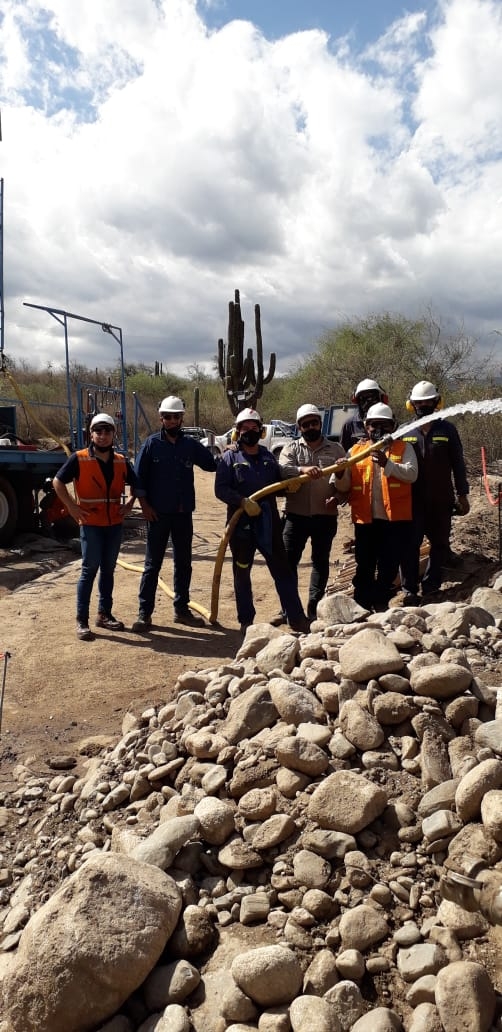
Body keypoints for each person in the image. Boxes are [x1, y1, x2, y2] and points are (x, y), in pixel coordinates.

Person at [214, 407, 310, 634]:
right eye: (245, 428)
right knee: (242, 572)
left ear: (261, 431)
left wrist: (290, 487)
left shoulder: (268, 457)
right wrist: (241, 501)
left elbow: (277, 486)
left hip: (269, 524)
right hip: (241, 526)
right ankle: (246, 621)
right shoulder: (229, 458)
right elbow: (220, 489)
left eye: (254, 427)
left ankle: (296, 618)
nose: (250, 431)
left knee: (282, 571)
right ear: (237, 431)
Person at [132, 395, 217, 631]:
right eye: (167, 417)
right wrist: (145, 506)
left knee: (184, 563)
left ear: (181, 419)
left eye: (175, 417)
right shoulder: (151, 445)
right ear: (161, 418)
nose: (171, 421)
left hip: (182, 514)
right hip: (157, 515)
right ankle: (144, 614)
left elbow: (211, 464)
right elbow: (138, 479)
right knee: (152, 565)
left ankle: (181, 610)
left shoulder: (190, 445)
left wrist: (232, 450)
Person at [53, 413, 138, 640]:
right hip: (91, 525)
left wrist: (130, 502)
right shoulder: (79, 459)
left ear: (113, 434)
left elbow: (136, 484)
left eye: (107, 431)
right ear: (91, 434)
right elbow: (58, 482)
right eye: (98, 431)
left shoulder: (121, 460)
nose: (102, 436)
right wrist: (71, 507)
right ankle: (82, 620)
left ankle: (104, 614)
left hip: (114, 525)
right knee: (89, 570)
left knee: (108, 570)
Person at [331, 403, 418, 612]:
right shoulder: (356, 451)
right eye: (374, 424)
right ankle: (362, 603)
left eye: (384, 424)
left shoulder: (404, 448)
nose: (378, 429)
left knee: (389, 563)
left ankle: (381, 602)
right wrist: (340, 473)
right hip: (365, 519)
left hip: (393, 519)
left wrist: (388, 464)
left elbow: (412, 474)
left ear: (393, 426)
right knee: (365, 563)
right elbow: (344, 486)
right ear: (366, 426)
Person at [272, 403, 345, 623]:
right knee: (288, 564)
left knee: (320, 563)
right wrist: (302, 470)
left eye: (314, 423)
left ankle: (314, 609)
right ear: (299, 427)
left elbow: (346, 485)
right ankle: (289, 610)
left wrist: (338, 497)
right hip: (295, 516)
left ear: (320, 424)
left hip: (325, 516)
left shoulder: (336, 450)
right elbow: (283, 470)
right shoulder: (291, 449)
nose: (311, 427)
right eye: (306, 424)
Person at [399, 381, 470, 602]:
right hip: (412, 501)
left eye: (428, 402)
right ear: (411, 404)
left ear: (437, 402)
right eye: (419, 402)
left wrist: (463, 494)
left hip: (441, 499)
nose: (423, 406)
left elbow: (458, 464)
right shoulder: (404, 431)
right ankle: (409, 590)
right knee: (410, 545)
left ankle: (431, 587)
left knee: (439, 544)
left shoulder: (447, 430)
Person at [341, 379, 388, 451]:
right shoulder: (349, 425)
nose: (368, 402)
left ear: (381, 399)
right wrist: (357, 448)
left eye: (372, 398)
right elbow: (343, 453)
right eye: (363, 398)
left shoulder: (388, 422)